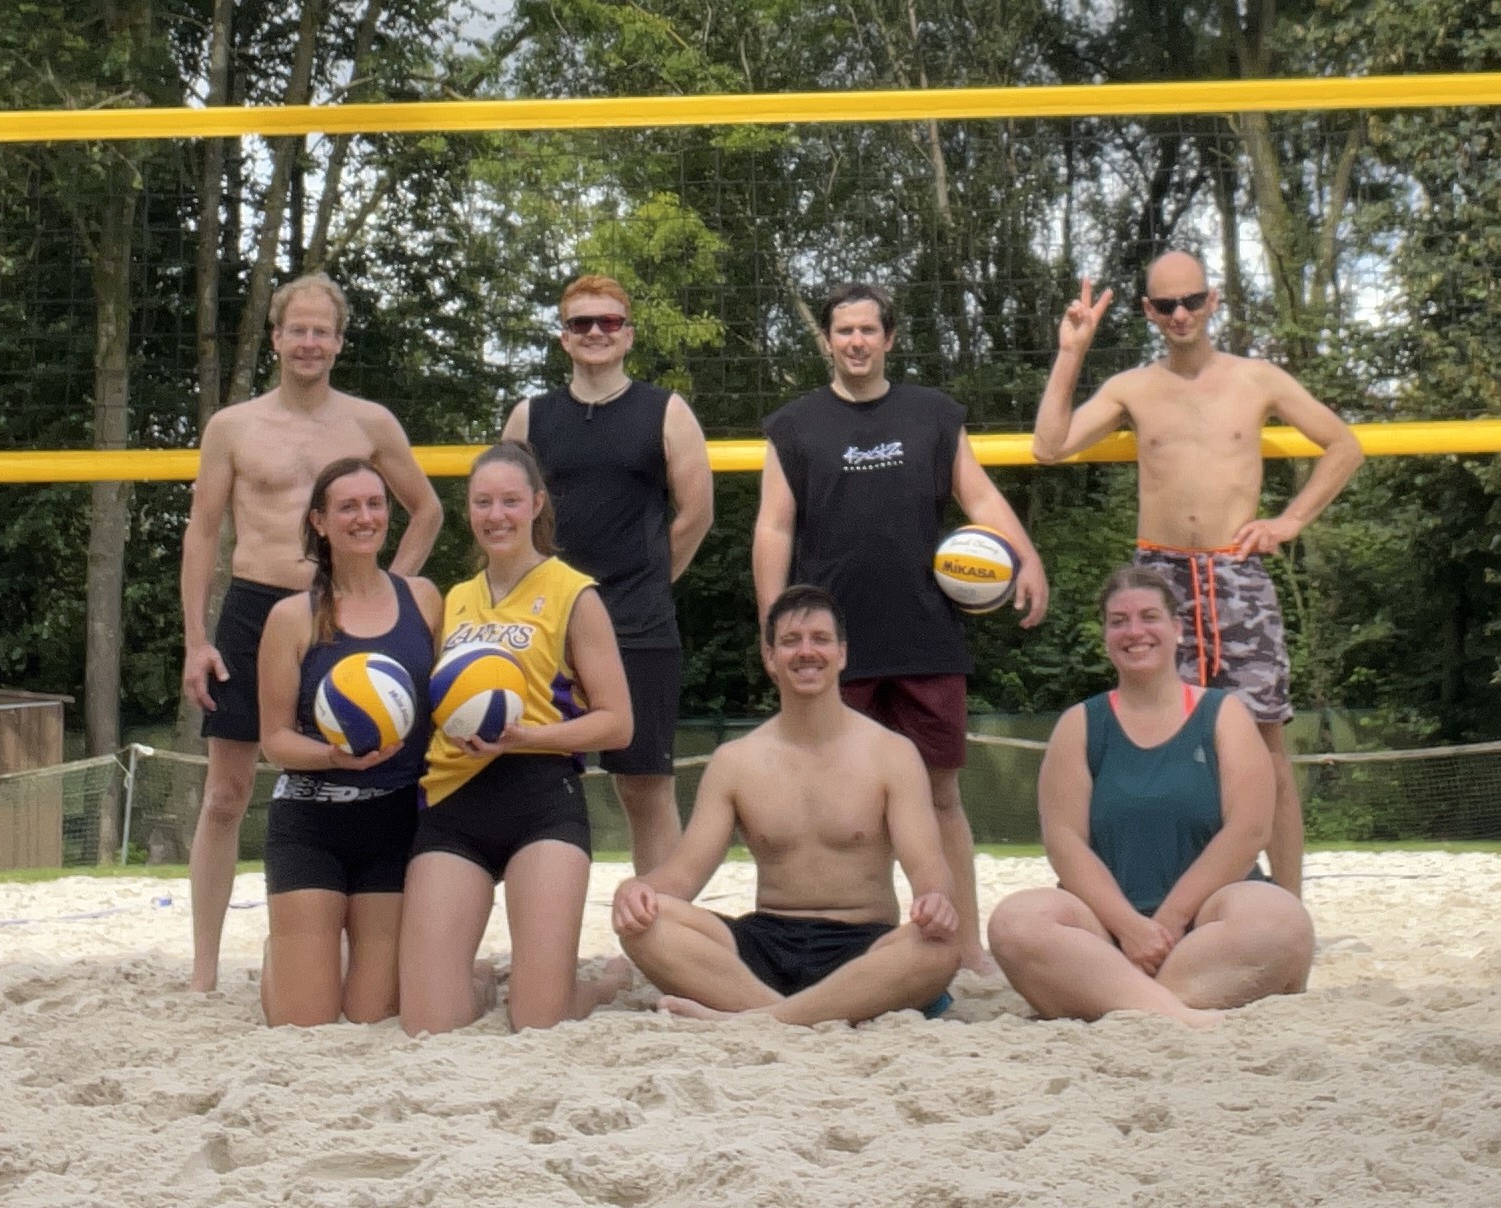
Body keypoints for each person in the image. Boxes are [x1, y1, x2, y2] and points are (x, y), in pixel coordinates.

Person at [1031, 250, 1364, 898]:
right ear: (1148, 312)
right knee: (1161, 740)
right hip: (1160, 577)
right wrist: (1072, 351)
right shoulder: (1133, 388)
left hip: (1236, 572)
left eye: (1190, 300)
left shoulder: (1256, 379)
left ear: (1212, 301)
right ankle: (1167, 894)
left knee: (1266, 746)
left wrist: (1289, 521)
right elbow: (1049, 446)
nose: (1180, 314)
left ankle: (1287, 909)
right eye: (1165, 305)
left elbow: (1344, 445)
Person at [752, 283, 1048, 974]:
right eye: (843, 331)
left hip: (924, 635)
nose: (856, 341)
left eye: (868, 330)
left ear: (888, 337)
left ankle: (964, 947)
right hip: (830, 646)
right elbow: (774, 527)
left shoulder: (932, 414)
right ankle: (856, 941)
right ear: (828, 340)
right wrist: (775, 626)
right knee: (839, 805)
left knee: (940, 797)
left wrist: (1027, 557)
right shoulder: (794, 426)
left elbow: (979, 495)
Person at [181, 272, 443, 992]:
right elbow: (202, 531)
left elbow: (426, 510)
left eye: (320, 331)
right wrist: (195, 639)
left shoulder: (369, 422)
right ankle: (204, 971)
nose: (308, 342)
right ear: (275, 337)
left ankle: (372, 934)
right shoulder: (233, 426)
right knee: (226, 794)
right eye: (295, 329)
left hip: (344, 619)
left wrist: (389, 596)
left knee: (381, 771)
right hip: (255, 605)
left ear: (338, 341)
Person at [612, 584, 960, 1025]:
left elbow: (927, 865)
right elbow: (683, 875)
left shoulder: (892, 754)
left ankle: (754, 1018)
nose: (806, 652)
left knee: (938, 947)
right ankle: (790, 1015)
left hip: (863, 946)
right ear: (770, 657)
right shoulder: (735, 761)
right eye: (791, 641)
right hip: (764, 943)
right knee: (644, 923)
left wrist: (935, 900)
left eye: (820, 639)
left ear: (842, 654)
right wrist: (637, 889)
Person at [987, 567, 1315, 1027]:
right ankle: (1178, 1013)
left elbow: (1248, 831)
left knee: (1281, 919)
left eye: (1149, 617)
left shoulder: (1224, 714)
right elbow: (1065, 843)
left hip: (1208, 923)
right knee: (1015, 921)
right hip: (1107, 926)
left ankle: (1119, 999)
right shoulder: (1081, 724)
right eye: (1119, 621)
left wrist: (1170, 921)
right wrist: (1128, 927)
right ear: (1106, 636)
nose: (1134, 631)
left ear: (1177, 628)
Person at [398, 441, 634, 1034]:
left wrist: (524, 735)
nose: (496, 515)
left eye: (509, 501)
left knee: (537, 1019)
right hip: (455, 800)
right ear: (469, 509)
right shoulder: (456, 599)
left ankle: (598, 985)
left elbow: (617, 722)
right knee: (428, 1022)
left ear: (536, 504)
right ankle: (477, 979)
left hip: (540, 797)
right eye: (483, 502)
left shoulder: (574, 593)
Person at [502, 275, 713, 874]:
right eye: (581, 323)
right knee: (531, 781)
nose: (596, 332)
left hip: (636, 622)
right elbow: (506, 514)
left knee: (645, 785)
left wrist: (650, 581)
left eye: (609, 322)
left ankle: (660, 922)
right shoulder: (529, 417)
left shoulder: (666, 411)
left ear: (629, 335)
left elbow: (696, 513)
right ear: (564, 337)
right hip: (544, 624)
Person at [255, 458, 440, 1027]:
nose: (365, 517)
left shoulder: (424, 599)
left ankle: (310, 952)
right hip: (311, 821)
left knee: (370, 1013)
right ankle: (283, 953)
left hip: (395, 820)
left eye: (375, 504)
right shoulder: (292, 617)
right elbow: (274, 741)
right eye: (348, 507)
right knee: (303, 1021)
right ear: (319, 522)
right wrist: (334, 756)